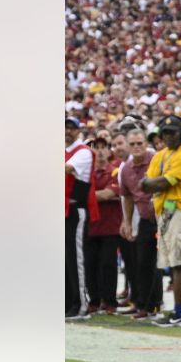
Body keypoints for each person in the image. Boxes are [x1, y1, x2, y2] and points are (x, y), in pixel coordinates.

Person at [141, 116, 181, 327]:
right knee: (171, 264)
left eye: (172, 132)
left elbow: (164, 182)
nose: (167, 136)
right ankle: (180, 311)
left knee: (180, 264)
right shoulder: (160, 155)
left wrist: (150, 183)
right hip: (166, 213)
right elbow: (148, 181)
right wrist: (150, 183)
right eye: (164, 132)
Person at [118, 128, 163, 319]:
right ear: (127, 146)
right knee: (143, 261)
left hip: (163, 216)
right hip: (144, 218)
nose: (137, 147)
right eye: (133, 144)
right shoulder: (126, 169)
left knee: (161, 262)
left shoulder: (157, 159)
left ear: (146, 144)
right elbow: (127, 196)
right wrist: (127, 221)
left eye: (140, 143)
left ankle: (155, 304)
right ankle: (143, 304)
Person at [84, 136, 122, 315]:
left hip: (109, 226)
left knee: (108, 264)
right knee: (90, 264)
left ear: (109, 151)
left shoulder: (114, 172)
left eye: (102, 147)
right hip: (90, 225)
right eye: (94, 147)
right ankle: (94, 299)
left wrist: (87, 196)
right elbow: (105, 194)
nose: (98, 151)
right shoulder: (86, 172)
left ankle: (109, 301)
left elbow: (108, 194)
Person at [65, 117, 97, 320]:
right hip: (64, 209)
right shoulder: (67, 151)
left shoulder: (83, 151)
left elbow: (67, 169)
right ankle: (69, 303)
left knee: (76, 259)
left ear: (78, 131)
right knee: (65, 259)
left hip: (75, 209)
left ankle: (82, 304)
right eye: (65, 127)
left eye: (71, 128)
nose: (67, 131)